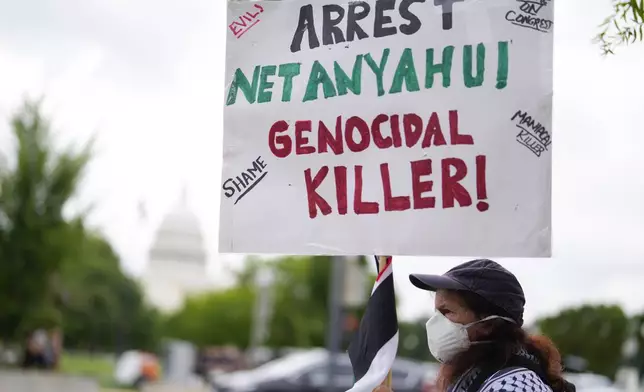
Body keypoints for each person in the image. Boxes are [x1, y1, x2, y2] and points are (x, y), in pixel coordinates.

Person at [381, 259, 575, 392]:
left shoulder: (513, 387)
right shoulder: (478, 376)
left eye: (447, 312)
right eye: (436, 312)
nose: (435, 323)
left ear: (488, 323)